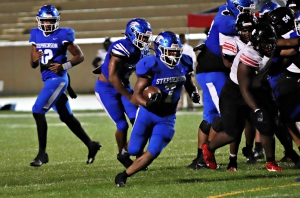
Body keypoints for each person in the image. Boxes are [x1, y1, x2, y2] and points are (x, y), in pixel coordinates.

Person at [114, 31, 200, 187]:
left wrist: (193, 91)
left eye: (176, 52)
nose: (174, 55)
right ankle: (124, 154)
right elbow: (137, 94)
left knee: (153, 152)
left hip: (167, 117)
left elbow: (188, 81)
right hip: (147, 113)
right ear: (160, 50)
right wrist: (147, 104)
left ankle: (123, 176)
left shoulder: (185, 62)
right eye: (171, 51)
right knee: (134, 149)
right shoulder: (151, 64)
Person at [202, 22, 283, 172]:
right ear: (258, 42)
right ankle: (208, 148)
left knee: (266, 126)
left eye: (271, 42)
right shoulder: (249, 56)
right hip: (235, 94)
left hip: (254, 90)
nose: (269, 46)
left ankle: (271, 162)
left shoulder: (265, 49)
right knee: (232, 133)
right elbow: (244, 89)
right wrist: (257, 110)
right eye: (266, 42)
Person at [29, 5, 101, 167]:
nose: (47, 24)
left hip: (58, 79)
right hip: (48, 80)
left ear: (56, 21)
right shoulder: (36, 34)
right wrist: (35, 59)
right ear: (40, 21)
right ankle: (91, 144)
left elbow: (79, 56)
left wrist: (64, 66)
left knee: (37, 111)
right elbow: (33, 64)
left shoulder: (63, 34)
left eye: (50, 20)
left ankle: (42, 154)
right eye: (45, 21)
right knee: (66, 117)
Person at [187, 0, 255, 170]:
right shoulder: (225, 19)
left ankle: (200, 159)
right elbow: (226, 28)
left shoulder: (227, 14)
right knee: (225, 114)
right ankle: (206, 155)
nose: (248, 13)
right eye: (245, 10)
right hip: (213, 70)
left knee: (210, 115)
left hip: (212, 70)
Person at [94, 18, 152, 168]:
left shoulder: (143, 50)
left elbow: (143, 74)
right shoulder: (122, 47)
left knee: (138, 120)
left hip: (124, 85)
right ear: (132, 34)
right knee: (122, 125)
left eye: (147, 37)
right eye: (142, 37)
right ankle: (122, 154)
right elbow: (113, 77)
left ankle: (137, 152)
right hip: (106, 88)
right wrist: (129, 96)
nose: (145, 40)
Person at [221, 12, 258, 171]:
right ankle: (232, 159)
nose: (248, 33)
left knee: (254, 121)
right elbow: (229, 64)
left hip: (253, 87)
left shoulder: (259, 41)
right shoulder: (232, 43)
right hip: (236, 88)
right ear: (238, 30)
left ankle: (250, 149)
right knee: (235, 127)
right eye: (244, 30)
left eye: (250, 30)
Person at [177, 33, 197, 111]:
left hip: (185, 72)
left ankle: (188, 106)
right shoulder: (179, 48)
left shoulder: (188, 48)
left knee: (188, 90)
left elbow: (194, 60)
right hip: (182, 72)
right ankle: (182, 106)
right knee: (181, 90)